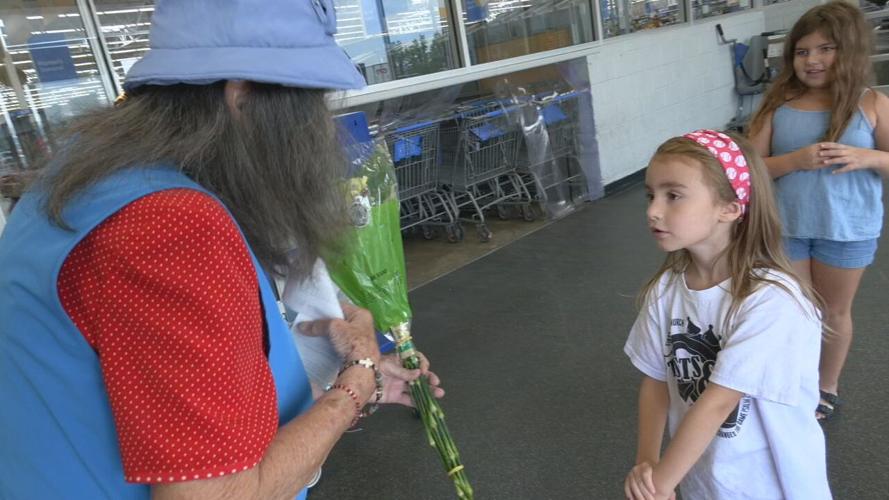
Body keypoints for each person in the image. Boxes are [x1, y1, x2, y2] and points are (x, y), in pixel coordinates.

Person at [0, 1, 443, 499]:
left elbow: (165, 393)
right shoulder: (169, 225)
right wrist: (356, 380)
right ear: (241, 94)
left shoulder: (80, 179)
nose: (319, 130)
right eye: (310, 104)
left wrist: (363, 381)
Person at [623, 130, 831, 500]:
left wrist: (660, 485)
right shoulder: (666, 290)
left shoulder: (772, 299)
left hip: (770, 484)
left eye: (674, 196)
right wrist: (648, 463)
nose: (653, 210)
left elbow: (720, 401)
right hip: (704, 475)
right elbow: (655, 380)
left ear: (730, 208)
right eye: (650, 195)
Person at [748, 0, 888, 421]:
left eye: (825, 49)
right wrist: (794, 161)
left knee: (833, 312)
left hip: (848, 228)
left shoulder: (872, 103)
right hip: (787, 227)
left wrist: (867, 157)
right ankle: (793, 381)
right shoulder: (778, 103)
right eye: (802, 51)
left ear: (848, 50)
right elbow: (749, 169)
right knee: (794, 311)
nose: (812, 60)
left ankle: (826, 386)